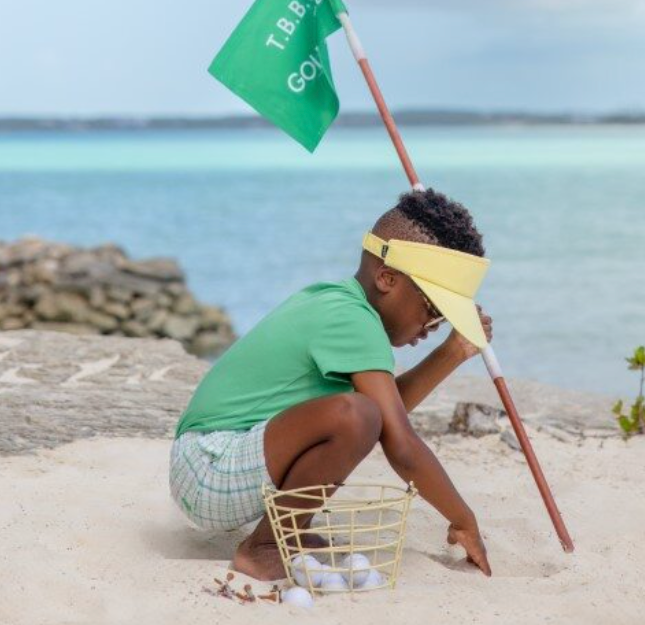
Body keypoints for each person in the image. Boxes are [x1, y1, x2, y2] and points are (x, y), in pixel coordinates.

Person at [169, 188, 494, 581]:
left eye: (443, 319)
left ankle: (284, 535)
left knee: (362, 414)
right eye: (432, 311)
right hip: (209, 467)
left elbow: (386, 419)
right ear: (387, 278)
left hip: (213, 465)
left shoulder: (343, 304)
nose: (432, 327)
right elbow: (399, 443)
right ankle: (266, 547)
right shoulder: (351, 319)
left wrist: (452, 353)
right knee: (355, 414)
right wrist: (463, 518)